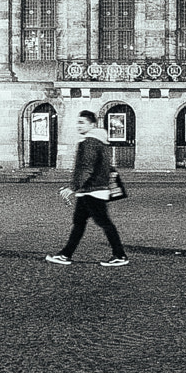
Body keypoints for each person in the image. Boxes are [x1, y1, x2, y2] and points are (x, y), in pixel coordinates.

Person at [44, 109, 128, 267]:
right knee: (80, 223)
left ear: (92, 124)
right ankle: (66, 254)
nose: (78, 125)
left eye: (82, 122)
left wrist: (73, 187)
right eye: (78, 122)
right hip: (93, 189)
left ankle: (120, 255)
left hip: (92, 189)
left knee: (102, 222)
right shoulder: (100, 141)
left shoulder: (89, 142)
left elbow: (86, 167)